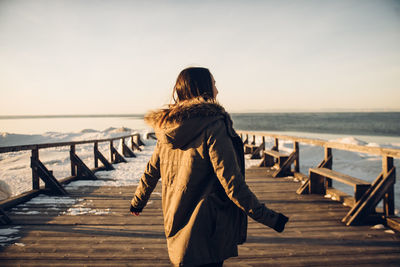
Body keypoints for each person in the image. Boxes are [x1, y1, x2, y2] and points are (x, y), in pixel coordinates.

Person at [130, 67, 289, 267]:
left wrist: (137, 202)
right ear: (203, 88)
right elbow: (232, 182)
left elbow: (151, 170)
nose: (217, 90)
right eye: (214, 84)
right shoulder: (213, 125)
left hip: (175, 220)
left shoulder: (167, 127)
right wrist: (270, 218)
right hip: (207, 229)